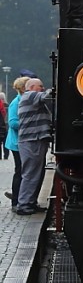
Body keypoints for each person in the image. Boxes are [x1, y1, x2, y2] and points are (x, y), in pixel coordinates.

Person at [16, 77, 53, 216]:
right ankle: (24, 204)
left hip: (34, 140)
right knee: (31, 174)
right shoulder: (30, 95)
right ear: (31, 87)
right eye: (40, 86)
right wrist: (55, 89)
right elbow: (48, 95)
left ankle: (30, 202)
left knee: (36, 173)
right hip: (32, 140)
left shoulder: (31, 97)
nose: (42, 88)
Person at [4, 76, 29, 210]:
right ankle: (15, 201)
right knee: (19, 171)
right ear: (23, 88)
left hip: (22, 141)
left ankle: (21, 197)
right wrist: (28, 124)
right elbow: (12, 122)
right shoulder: (15, 103)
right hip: (16, 143)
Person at [0, 93, 7, 160]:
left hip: (3, 124)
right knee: (5, 141)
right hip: (6, 124)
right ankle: (6, 155)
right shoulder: (7, 105)